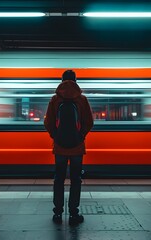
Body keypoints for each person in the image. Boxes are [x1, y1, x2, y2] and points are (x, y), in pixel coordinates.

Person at [44, 69, 93, 225]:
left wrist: (56, 136)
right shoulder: (82, 100)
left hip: (59, 148)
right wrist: (80, 136)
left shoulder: (54, 100)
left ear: (62, 81)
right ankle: (74, 213)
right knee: (76, 180)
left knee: (59, 179)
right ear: (75, 81)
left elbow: (48, 123)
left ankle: (58, 213)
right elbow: (89, 122)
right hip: (77, 147)